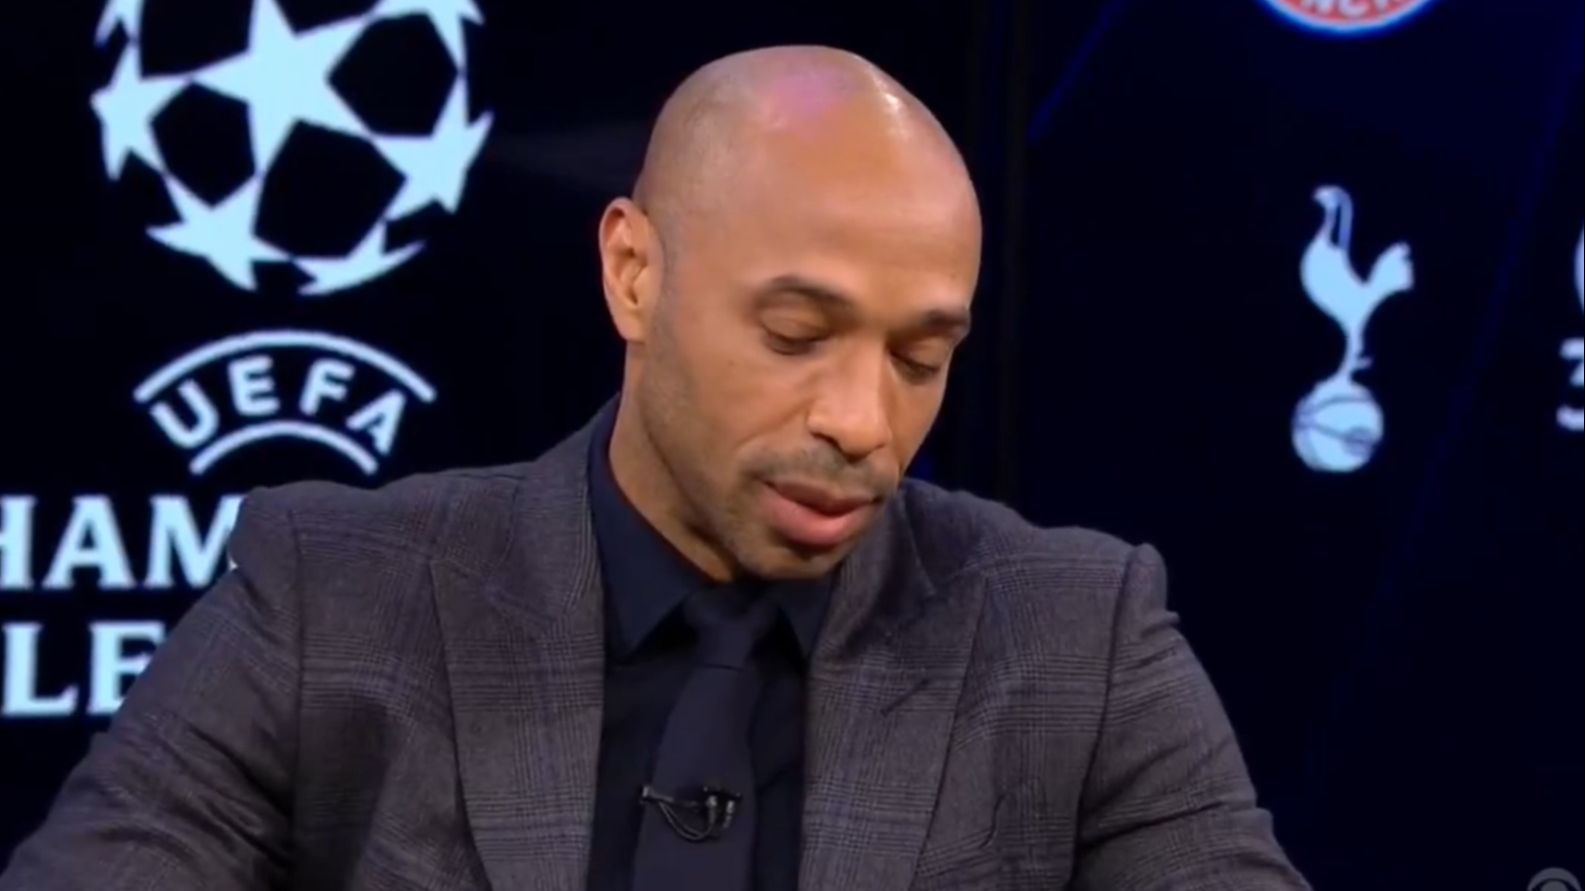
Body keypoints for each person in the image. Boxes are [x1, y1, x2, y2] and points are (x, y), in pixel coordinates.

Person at [0, 45, 1311, 891]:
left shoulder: (1077, 637)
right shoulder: (329, 594)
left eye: (922, 356)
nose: (863, 420)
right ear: (634, 272)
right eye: (794, 334)